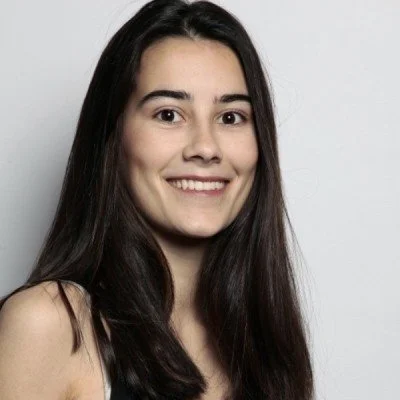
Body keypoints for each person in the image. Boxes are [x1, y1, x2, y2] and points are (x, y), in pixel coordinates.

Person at [0, 0, 314, 399]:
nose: (206, 147)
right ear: (113, 137)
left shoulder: (264, 345)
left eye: (230, 117)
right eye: (168, 114)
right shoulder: (50, 323)